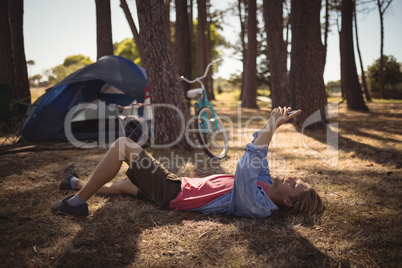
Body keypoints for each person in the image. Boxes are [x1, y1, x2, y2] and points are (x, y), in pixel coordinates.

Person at [52, 107, 324, 218]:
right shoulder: (265, 183)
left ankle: (76, 204)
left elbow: (247, 164)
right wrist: (271, 123)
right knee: (123, 186)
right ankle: (73, 183)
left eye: (294, 184)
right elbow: (259, 156)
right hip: (179, 186)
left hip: (174, 192)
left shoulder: (258, 205)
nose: (290, 177)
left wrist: (273, 124)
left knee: (124, 146)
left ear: (288, 201)